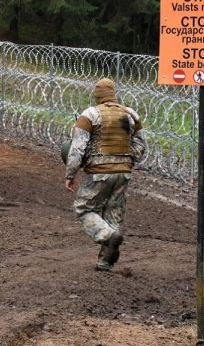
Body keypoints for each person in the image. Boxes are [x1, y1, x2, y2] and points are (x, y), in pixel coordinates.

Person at [64, 78, 147, 271]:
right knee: (113, 214)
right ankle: (105, 262)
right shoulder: (131, 115)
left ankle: (106, 235)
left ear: (97, 95)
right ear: (114, 93)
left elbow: (77, 149)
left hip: (98, 173)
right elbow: (142, 147)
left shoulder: (89, 115)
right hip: (123, 173)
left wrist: (70, 174)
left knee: (84, 209)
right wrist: (127, 159)